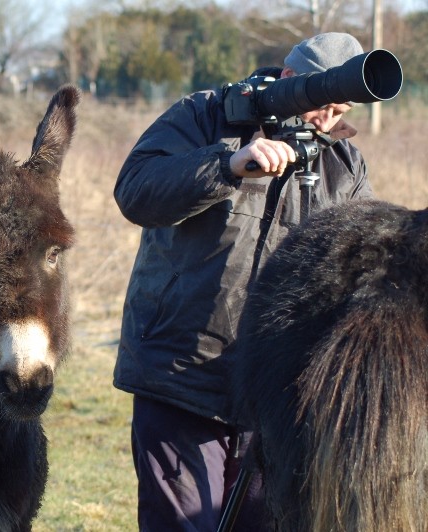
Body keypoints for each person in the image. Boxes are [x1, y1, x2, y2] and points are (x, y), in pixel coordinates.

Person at [112, 32, 373, 531]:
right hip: (182, 373)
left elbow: (355, 274)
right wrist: (228, 165)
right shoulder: (205, 115)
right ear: (295, 80)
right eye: (325, 107)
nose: (330, 122)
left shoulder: (343, 165)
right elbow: (136, 191)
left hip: (274, 394)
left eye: (341, 112)